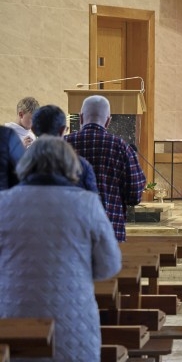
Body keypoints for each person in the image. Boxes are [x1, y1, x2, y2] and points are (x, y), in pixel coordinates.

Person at [0, 136, 121, 361]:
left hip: (13, 323)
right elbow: (109, 266)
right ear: (70, 165)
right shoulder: (87, 203)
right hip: (72, 325)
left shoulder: (3, 203)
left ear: (24, 164)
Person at [65, 95, 146, 242]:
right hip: (109, 231)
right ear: (108, 121)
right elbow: (134, 195)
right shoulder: (121, 147)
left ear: (81, 118)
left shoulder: (61, 145)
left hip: (69, 232)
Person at [31, 104, 99, 193]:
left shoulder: (20, 162)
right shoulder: (82, 166)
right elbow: (94, 199)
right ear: (62, 130)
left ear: (33, 129)